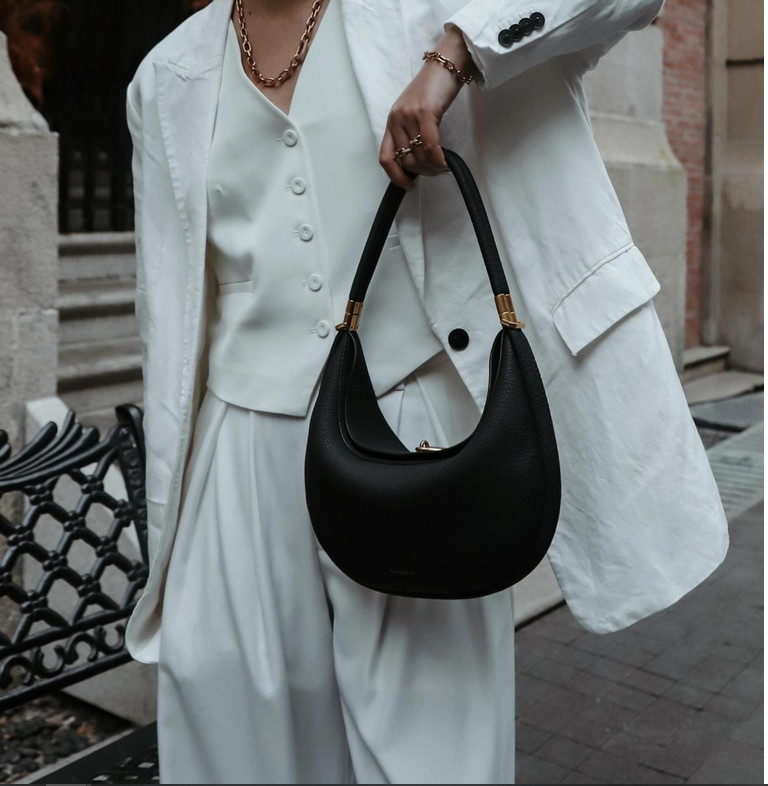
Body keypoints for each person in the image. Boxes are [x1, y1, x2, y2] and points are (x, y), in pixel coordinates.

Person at [123, 0, 729, 782]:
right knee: (233, 747)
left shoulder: (436, 9)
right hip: (238, 451)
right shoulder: (166, 75)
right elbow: (168, 310)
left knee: (434, 759)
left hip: (421, 445)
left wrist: (455, 55)